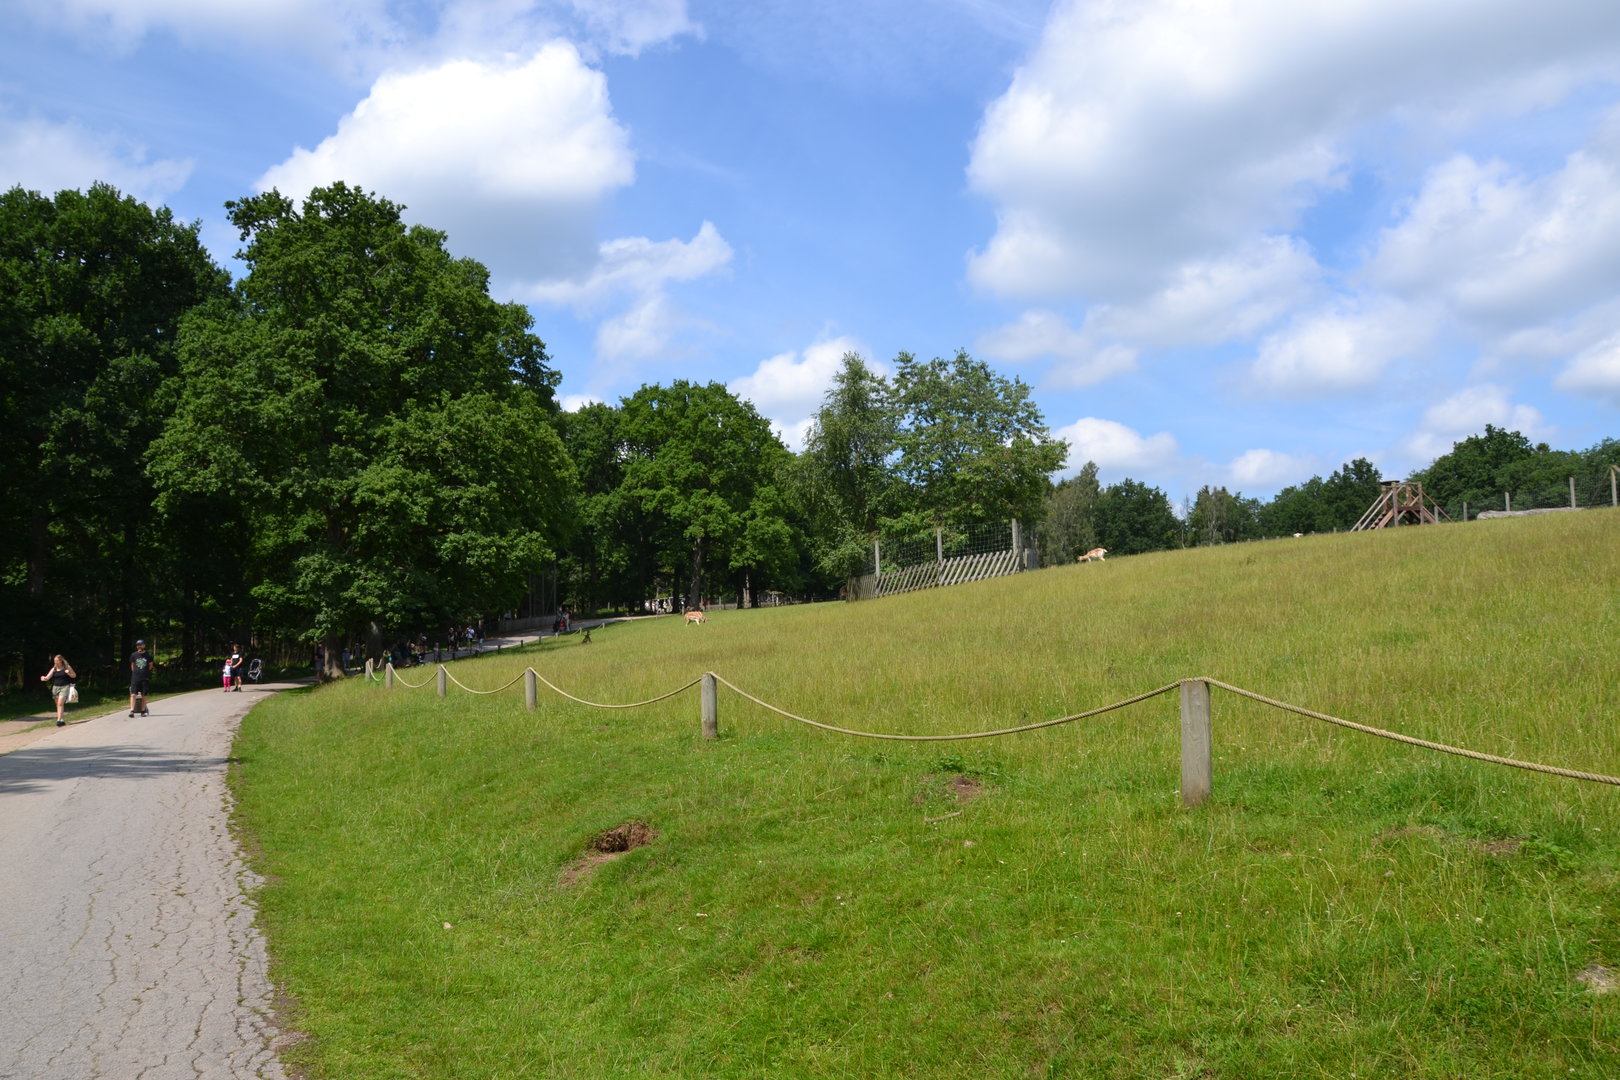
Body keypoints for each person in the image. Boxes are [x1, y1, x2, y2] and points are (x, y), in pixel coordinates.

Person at [40, 654, 77, 726]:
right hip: (55, 688)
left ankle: (58, 720)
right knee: (58, 705)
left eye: (57, 661)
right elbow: (47, 677)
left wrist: (68, 673)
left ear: (61, 661)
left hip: (65, 687)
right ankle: (62, 720)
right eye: (54, 661)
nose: (55, 662)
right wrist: (43, 678)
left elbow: (74, 675)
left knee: (60, 703)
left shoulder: (67, 667)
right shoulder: (54, 669)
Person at [129, 639, 152, 717]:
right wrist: (136, 673)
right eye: (138, 645)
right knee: (133, 694)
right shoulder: (133, 655)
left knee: (143, 695)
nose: (139, 646)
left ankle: (142, 710)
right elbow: (132, 666)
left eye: (140, 645)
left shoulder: (148, 655)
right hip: (135, 678)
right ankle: (131, 710)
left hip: (144, 678)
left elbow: (150, 666)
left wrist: (145, 672)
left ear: (144, 646)